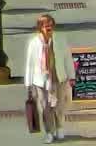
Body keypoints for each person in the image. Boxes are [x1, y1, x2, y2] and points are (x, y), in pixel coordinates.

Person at [26, 13, 73, 141]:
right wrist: (28, 83)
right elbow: (30, 64)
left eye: (51, 25)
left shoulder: (60, 40)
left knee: (59, 105)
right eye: (46, 25)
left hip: (59, 78)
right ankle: (49, 132)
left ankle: (60, 128)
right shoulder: (34, 43)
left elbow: (67, 58)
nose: (49, 27)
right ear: (40, 27)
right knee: (45, 106)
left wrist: (71, 76)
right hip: (41, 81)